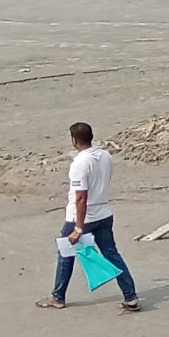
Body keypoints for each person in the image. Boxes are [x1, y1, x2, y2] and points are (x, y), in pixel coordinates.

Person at [37, 121, 141, 312]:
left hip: (83, 217)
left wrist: (78, 227)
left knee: (66, 255)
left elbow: (81, 198)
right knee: (111, 253)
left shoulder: (79, 163)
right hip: (104, 213)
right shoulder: (105, 155)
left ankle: (58, 297)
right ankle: (130, 296)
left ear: (74, 140)